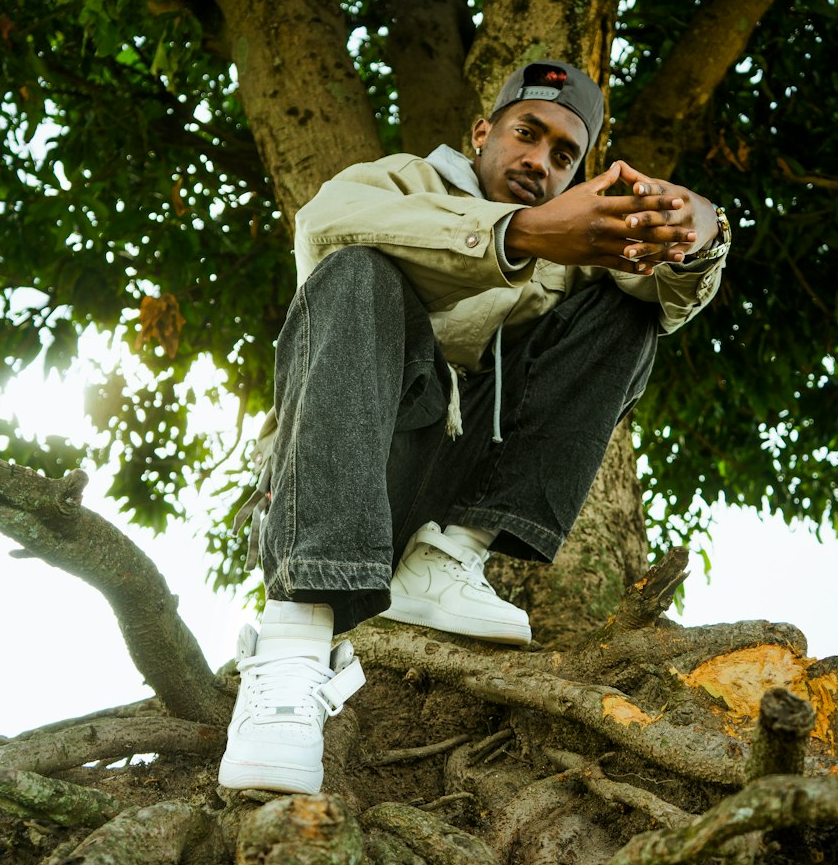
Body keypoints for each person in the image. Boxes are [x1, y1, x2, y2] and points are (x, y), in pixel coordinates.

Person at [218, 60, 730, 795]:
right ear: (482, 132)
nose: (540, 161)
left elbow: (669, 291)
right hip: (346, 475)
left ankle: (449, 558)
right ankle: (293, 651)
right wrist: (522, 233)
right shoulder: (401, 179)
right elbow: (322, 228)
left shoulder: (577, 258)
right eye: (529, 134)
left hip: (451, 489)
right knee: (357, 270)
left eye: (564, 157)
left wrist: (700, 227)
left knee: (629, 312)